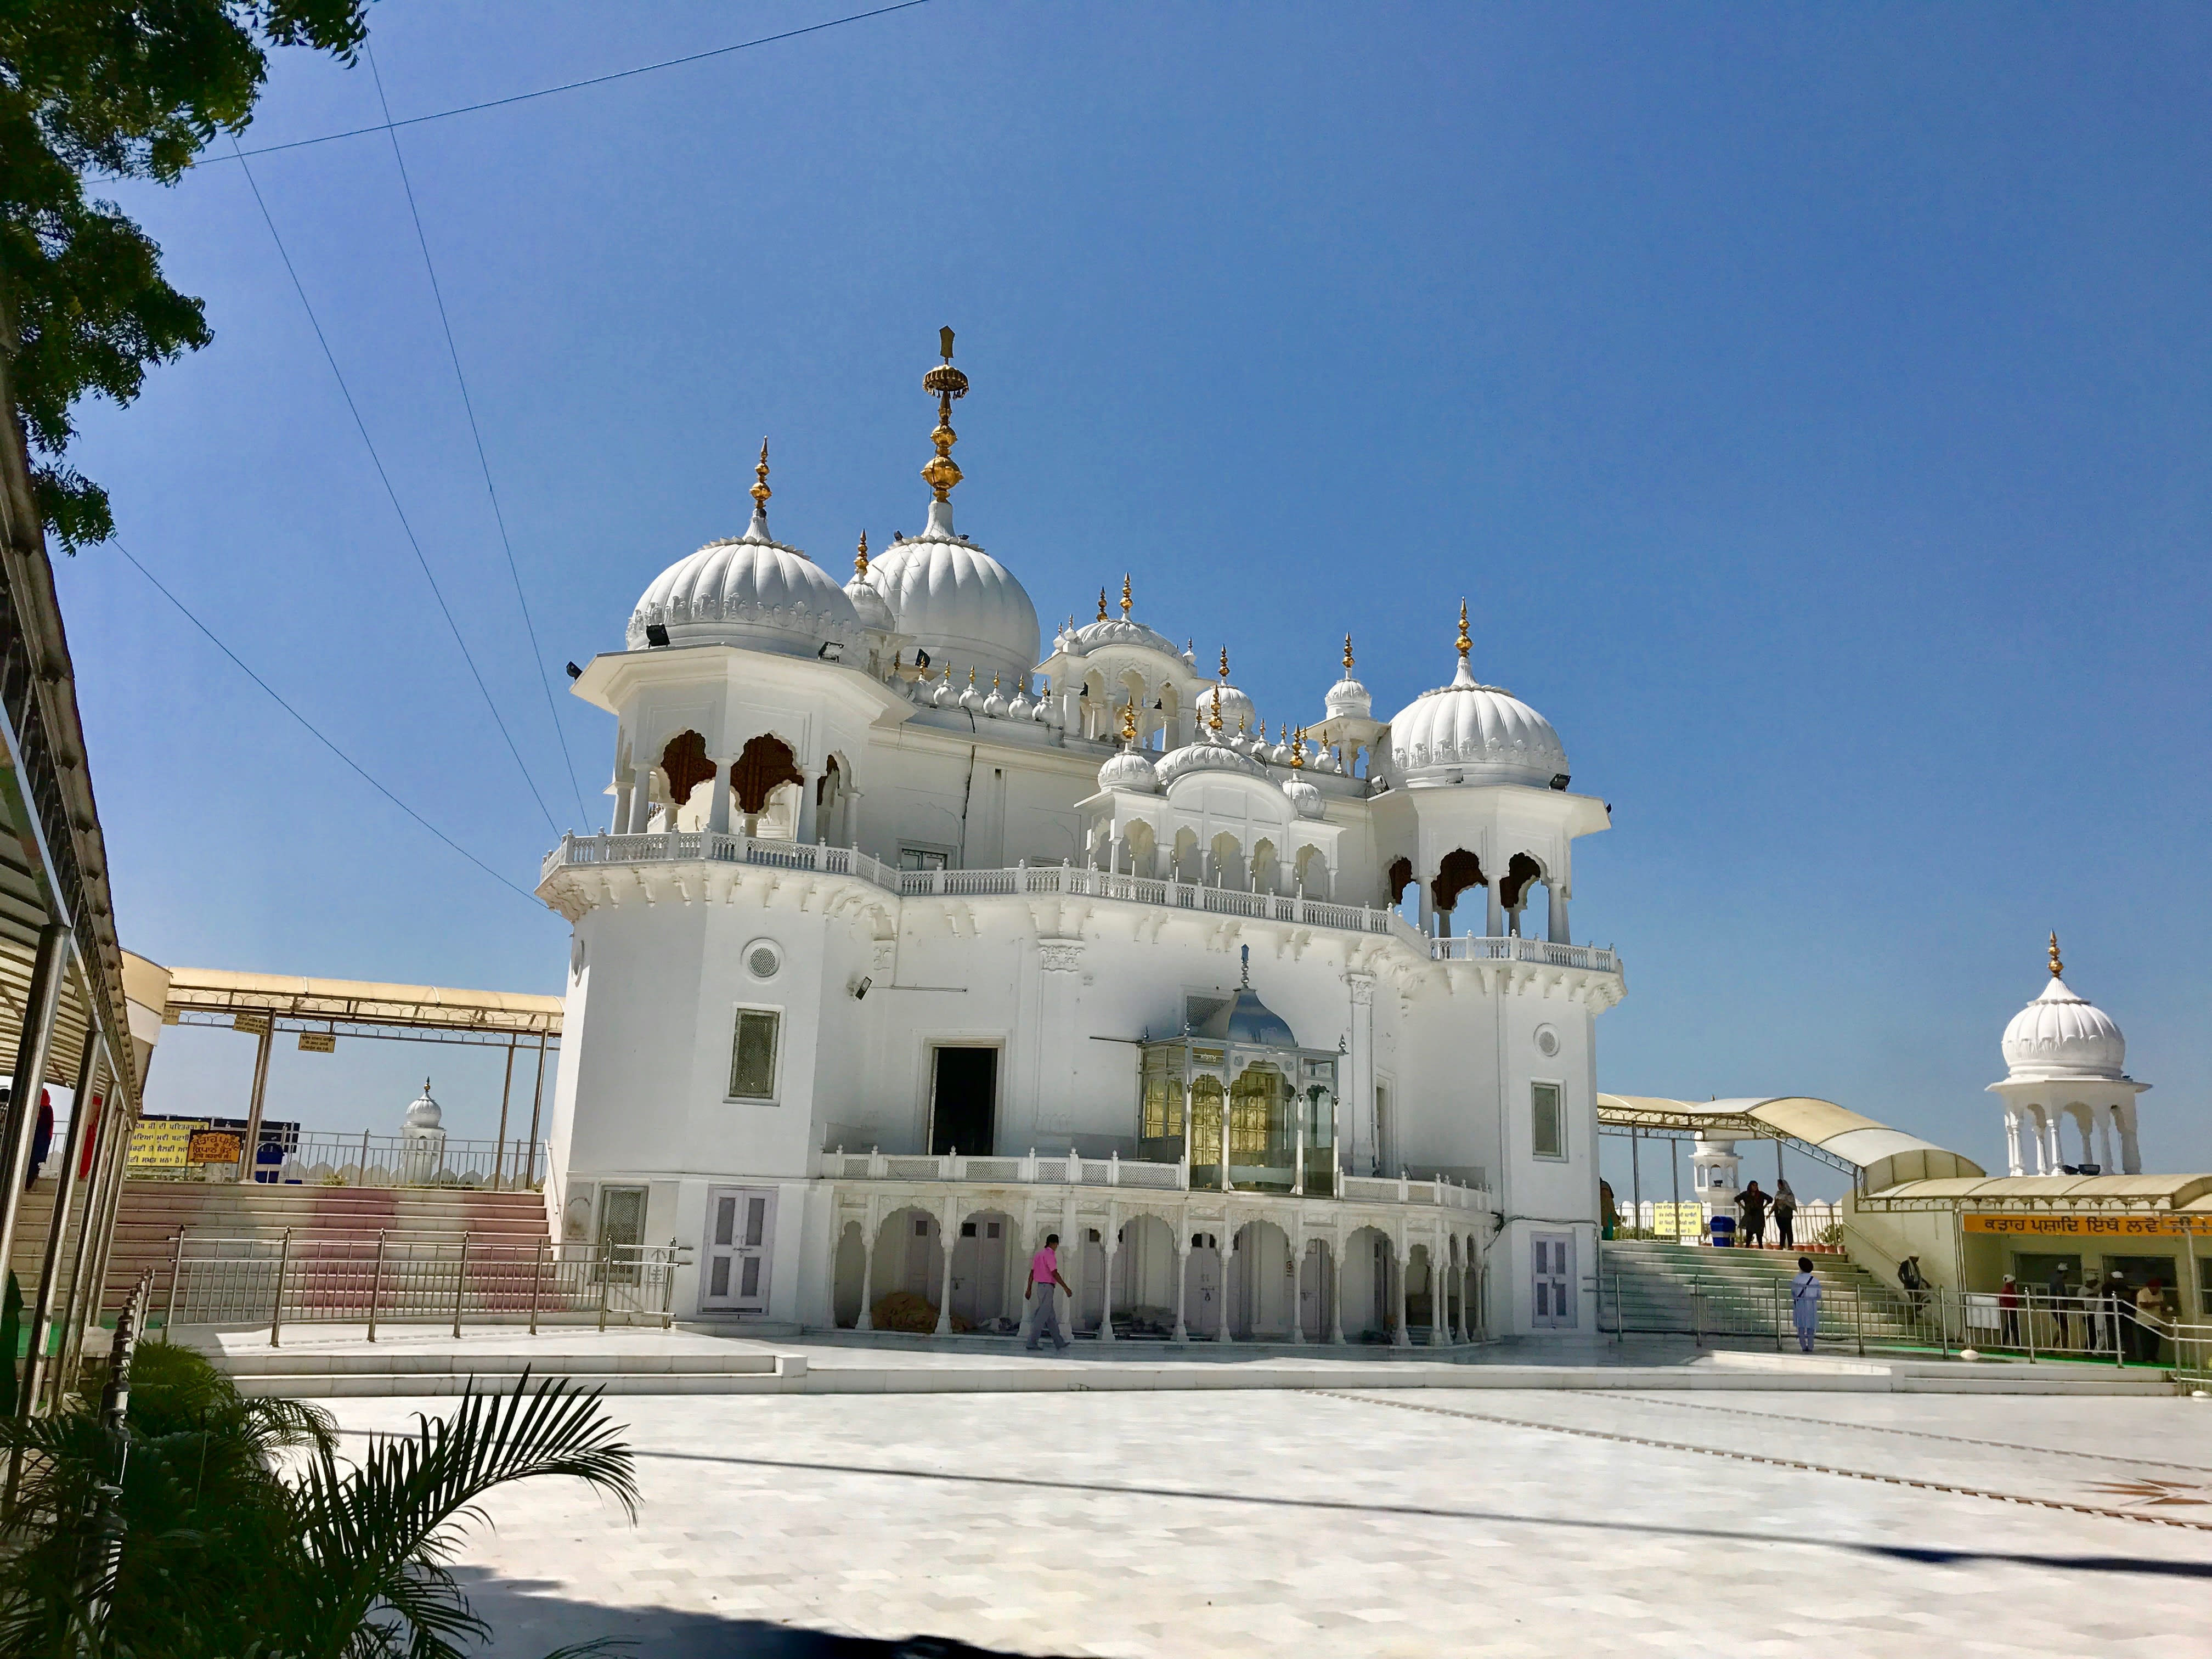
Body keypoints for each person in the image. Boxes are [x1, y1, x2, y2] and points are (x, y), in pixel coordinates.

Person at [1024, 1231, 1074, 1353]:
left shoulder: (1039, 1255)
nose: (1056, 1247)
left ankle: (1059, 1342)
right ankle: (1032, 1342)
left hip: (1041, 1287)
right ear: (1053, 1244)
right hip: (1047, 1287)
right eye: (1056, 1245)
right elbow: (1054, 1273)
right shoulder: (1050, 1255)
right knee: (1041, 1317)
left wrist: (1029, 1288)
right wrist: (1066, 1288)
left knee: (1051, 1317)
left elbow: (1032, 1273)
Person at [2134, 1278, 2171, 1364]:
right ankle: (2147, 1359)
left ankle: (2154, 1358)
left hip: (2156, 1321)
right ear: (2151, 1287)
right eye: (2156, 1287)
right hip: (2144, 1321)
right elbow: (2144, 1305)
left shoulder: (2160, 1293)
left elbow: (2162, 1305)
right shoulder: (2142, 1293)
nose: (2158, 1289)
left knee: (2155, 1341)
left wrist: (2166, 1308)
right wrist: (2157, 1303)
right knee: (2146, 1341)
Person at [1790, 1255, 1822, 1352]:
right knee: (1811, 1326)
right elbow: (1819, 1295)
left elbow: (1793, 1293)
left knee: (1801, 1326)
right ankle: (1811, 1345)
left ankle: (1803, 1346)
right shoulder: (1815, 1281)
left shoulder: (1796, 1279)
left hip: (1800, 1305)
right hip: (1811, 1305)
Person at [1737, 1181, 1769, 1249]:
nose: (1755, 1187)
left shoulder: (1761, 1194)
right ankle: (1747, 1248)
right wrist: (1743, 1207)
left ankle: (1761, 1248)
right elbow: (1737, 1199)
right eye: (1753, 1185)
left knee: (1759, 1234)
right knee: (1749, 1234)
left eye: (1756, 1185)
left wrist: (1764, 1207)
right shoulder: (1746, 1194)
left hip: (1759, 1216)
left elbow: (1770, 1199)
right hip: (1750, 1216)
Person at [1998, 1274, 2023, 1349]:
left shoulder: (2008, 1289)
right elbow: (2009, 1300)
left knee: (2010, 1329)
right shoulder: (2008, 1290)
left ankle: (2003, 1345)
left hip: (2011, 1311)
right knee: (2013, 1329)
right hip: (2011, 1311)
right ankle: (2018, 1346)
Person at [1773, 1179, 1798, 1250]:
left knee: (1788, 1229)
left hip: (1787, 1214)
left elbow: (1791, 1202)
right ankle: (1781, 1245)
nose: (1778, 1186)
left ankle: (1790, 1245)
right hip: (1779, 1214)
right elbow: (1776, 1203)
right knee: (1782, 1230)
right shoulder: (1778, 1194)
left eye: (1779, 1184)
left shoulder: (1789, 1194)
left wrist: (1784, 1202)